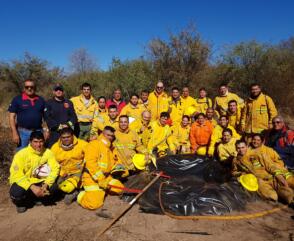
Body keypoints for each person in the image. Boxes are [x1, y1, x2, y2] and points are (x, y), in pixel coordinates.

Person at [9, 131, 60, 213]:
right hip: (24, 182)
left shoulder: (48, 152)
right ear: (30, 142)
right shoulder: (21, 154)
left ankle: (37, 198)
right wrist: (32, 187)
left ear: (44, 141)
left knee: (54, 187)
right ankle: (21, 203)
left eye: (41, 142)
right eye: (35, 142)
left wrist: (46, 184)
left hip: (40, 181)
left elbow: (55, 169)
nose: (38, 145)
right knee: (17, 192)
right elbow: (16, 175)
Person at [77, 126, 125, 210]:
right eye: (108, 135)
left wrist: (119, 168)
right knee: (94, 204)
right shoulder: (94, 144)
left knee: (120, 189)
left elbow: (115, 161)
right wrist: (100, 179)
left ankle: (102, 191)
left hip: (106, 178)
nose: (110, 137)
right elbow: (91, 164)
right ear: (102, 134)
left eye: (112, 136)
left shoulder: (111, 148)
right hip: (92, 178)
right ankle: (80, 195)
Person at [51, 128, 88, 204]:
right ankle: (71, 190)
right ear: (60, 138)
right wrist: (61, 173)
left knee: (67, 199)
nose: (66, 139)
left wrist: (82, 170)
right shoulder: (55, 147)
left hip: (78, 172)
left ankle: (76, 191)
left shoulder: (83, 144)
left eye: (68, 137)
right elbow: (52, 163)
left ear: (72, 136)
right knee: (57, 186)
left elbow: (90, 158)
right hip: (63, 173)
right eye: (63, 138)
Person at [8, 79, 47, 150]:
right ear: (24, 88)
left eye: (32, 87)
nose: (29, 88)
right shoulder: (17, 99)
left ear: (35, 88)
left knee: (38, 154)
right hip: (23, 133)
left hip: (38, 131)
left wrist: (46, 130)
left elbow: (46, 117)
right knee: (21, 155)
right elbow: (11, 117)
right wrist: (14, 132)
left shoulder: (41, 100)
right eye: (27, 87)